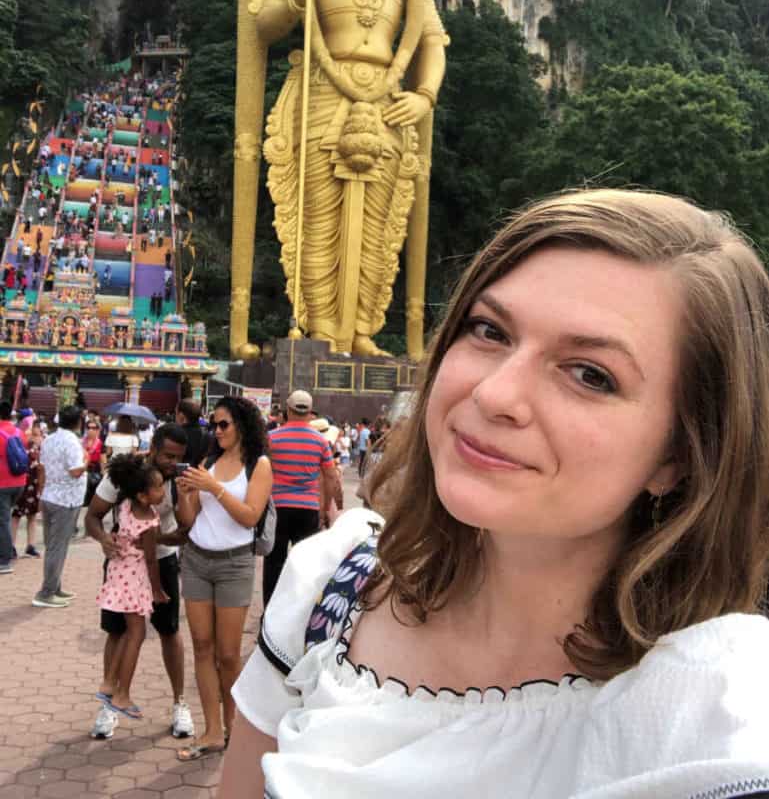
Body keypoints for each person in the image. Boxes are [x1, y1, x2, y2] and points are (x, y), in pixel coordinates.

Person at [218, 188, 769, 799]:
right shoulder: (327, 592)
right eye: (489, 330)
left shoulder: (707, 709)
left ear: (680, 456)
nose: (493, 394)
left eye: (590, 374)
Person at [230, 0, 447, 359]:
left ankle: (363, 330)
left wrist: (423, 96)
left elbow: (433, 43)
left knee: (380, 220)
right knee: (317, 213)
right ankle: (322, 327)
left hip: (389, 101)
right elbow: (264, 23)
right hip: (323, 92)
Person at [175, 396, 272, 762]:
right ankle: (212, 730)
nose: (216, 432)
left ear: (242, 425)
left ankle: (235, 728)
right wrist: (185, 495)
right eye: (213, 425)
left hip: (234, 564)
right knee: (202, 646)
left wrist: (213, 488)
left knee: (229, 655)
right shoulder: (208, 462)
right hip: (197, 559)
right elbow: (189, 519)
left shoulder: (258, 465)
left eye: (223, 425)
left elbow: (249, 517)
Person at [86, 424, 195, 741]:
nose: (172, 463)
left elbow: (186, 528)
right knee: (117, 632)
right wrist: (105, 539)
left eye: (178, 457)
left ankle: (179, 703)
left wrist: (155, 537)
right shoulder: (123, 476)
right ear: (153, 448)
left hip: (161, 562)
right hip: (122, 566)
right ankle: (109, 703)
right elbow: (92, 517)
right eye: (167, 456)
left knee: (169, 631)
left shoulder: (178, 481)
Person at [94, 454, 168, 720]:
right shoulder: (149, 521)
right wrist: (157, 590)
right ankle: (122, 695)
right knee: (136, 635)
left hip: (117, 574)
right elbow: (151, 559)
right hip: (134, 579)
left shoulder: (124, 506)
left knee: (125, 633)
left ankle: (108, 683)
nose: (163, 491)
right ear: (143, 496)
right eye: (158, 487)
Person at [261, 389, 337, 608]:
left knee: (274, 561)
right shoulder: (320, 441)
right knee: (306, 562)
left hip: (278, 508)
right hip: (308, 509)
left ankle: (271, 611)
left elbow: (263, 472)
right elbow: (331, 477)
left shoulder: (272, 438)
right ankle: (302, 608)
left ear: (288, 410)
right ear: (310, 412)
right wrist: (324, 509)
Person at [33, 405, 86, 607]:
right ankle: (47, 592)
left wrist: (41, 492)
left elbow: (43, 468)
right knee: (57, 547)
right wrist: (87, 460)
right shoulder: (71, 441)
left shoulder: (50, 439)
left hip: (51, 495)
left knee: (53, 546)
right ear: (78, 422)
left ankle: (54, 587)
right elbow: (75, 471)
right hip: (66, 500)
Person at [0, 401, 27, 573]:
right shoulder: (19, 432)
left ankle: (5, 559)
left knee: (3, 520)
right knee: (5, 518)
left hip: (2, 483)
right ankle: (7, 551)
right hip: (19, 482)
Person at [11, 418, 43, 558]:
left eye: (38, 429)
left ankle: (31, 545)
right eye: (33, 429)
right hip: (22, 482)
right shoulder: (19, 442)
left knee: (32, 515)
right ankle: (10, 545)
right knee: (16, 515)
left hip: (35, 483)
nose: (37, 432)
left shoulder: (40, 444)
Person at [175, 399, 211, 468]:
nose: (175, 417)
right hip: (199, 475)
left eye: (176, 413)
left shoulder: (175, 435)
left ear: (181, 416)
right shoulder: (208, 436)